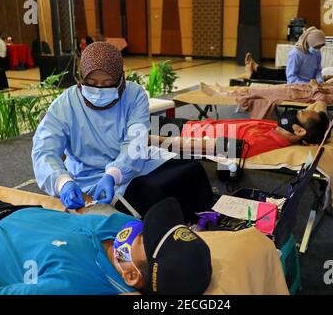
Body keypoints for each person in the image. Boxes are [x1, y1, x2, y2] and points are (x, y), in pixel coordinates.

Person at [32, 42, 216, 222]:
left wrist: (113, 174)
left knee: (192, 170)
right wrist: (62, 182)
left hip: (135, 163)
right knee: (153, 195)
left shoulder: (134, 95)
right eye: (92, 82)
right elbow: (44, 150)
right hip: (90, 175)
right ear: (81, 78)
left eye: (108, 83)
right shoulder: (66, 104)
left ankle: (204, 224)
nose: (99, 90)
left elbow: (136, 143)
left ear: (121, 78)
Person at [0, 194, 212, 295]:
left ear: (132, 275)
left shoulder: (76, 286)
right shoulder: (125, 229)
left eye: (145, 238)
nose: (140, 228)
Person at [157, 108, 331, 159]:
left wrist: (155, 140)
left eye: (300, 113)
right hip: (189, 124)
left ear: (299, 130)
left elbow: (209, 146)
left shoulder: (261, 143)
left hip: (178, 133)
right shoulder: (280, 128)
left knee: (132, 129)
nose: (298, 110)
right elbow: (320, 103)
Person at [201, 77, 333, 119]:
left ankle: (222, 93)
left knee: (258, 94)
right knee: (262, 89)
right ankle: (226, 90)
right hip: (298, 89)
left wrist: (315, 86)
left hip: (299, 95)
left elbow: (323, 100)